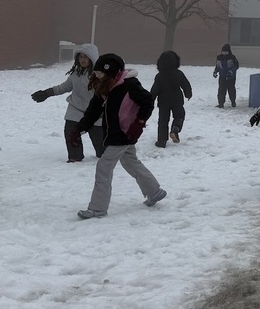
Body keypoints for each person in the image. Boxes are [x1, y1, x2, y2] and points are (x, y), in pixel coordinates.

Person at [72, 53, 166, 219]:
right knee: (130, 162)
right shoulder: (105, 87)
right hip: (119, 133)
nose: (97, 75)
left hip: (124, 133)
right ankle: (154, 191)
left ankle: (98, 208)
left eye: (100, 72)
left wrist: (139, 122)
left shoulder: (129, 85)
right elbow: (94, 109)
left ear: (111, 71)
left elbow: (148, 101)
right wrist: (80, 128)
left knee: (104, 166)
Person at [31, 43, 106, 162]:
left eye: (85, 57)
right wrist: (46, 93)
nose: (83, 59)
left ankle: (105, 155)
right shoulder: (76, 73)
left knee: (100, 143)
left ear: (92, 58)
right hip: (75, 108)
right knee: (71, 132)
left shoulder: (100, 75)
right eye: (80, 57)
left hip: (95, 113)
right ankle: (75, 157)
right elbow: (64, 87)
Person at [150, 50, 192, 148]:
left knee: (163, 121)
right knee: (179, 115)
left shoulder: (159, 76)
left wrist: (150, 99)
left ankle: (162, 141)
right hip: (177, 100)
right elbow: (186, 84)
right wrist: (188, 93)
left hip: (163, 101)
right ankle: (175, 128)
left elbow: (155, 89)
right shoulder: (178, 73)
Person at [213, 44, 240, 108]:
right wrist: (215, 71)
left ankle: (233, 101)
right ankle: (221, 103)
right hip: (222, 77)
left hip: (230, 77)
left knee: (231, 90)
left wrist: (231, 72)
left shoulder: (232, 57)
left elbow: (236, 66)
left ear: (229, 51)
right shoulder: (219, 58)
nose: (224, 53)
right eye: (223, 51)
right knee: (221, 90)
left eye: (226, 52)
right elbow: (217, 66)